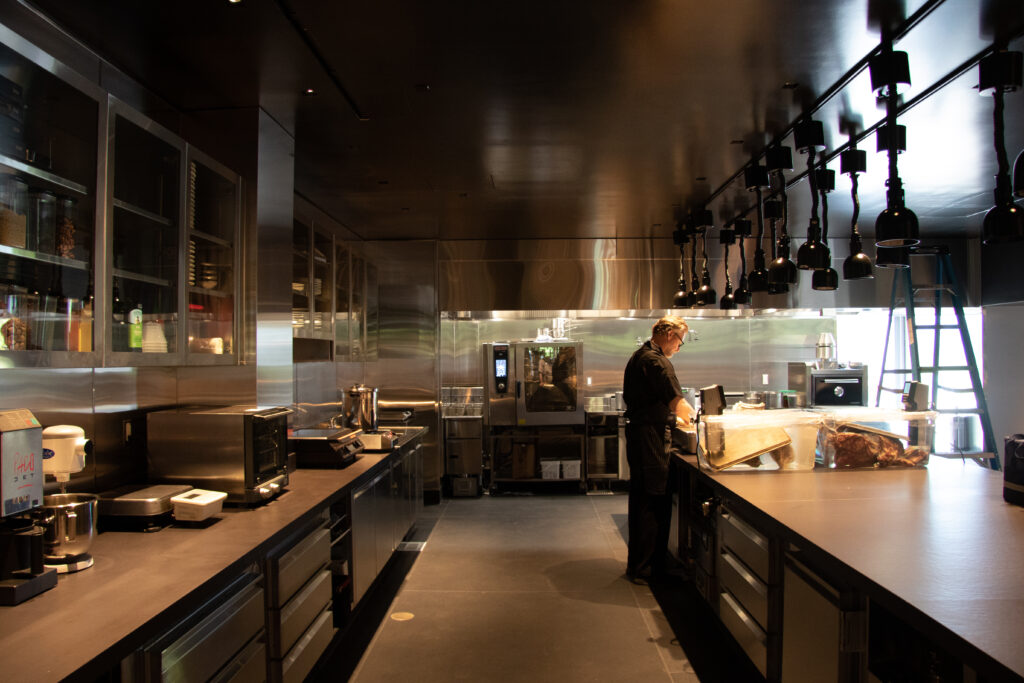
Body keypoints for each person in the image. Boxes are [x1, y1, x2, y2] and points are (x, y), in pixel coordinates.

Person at [622, 315, 696, 585]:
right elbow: (678, 403)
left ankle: (642, 565)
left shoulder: (640, 355)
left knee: (642, 498)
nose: (679, 346)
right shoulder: (657, 361)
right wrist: (695, 419)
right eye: (679, 341)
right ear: (667, 334)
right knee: (652, 500)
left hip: (641, 435)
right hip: (650, 438)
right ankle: (647, 569)